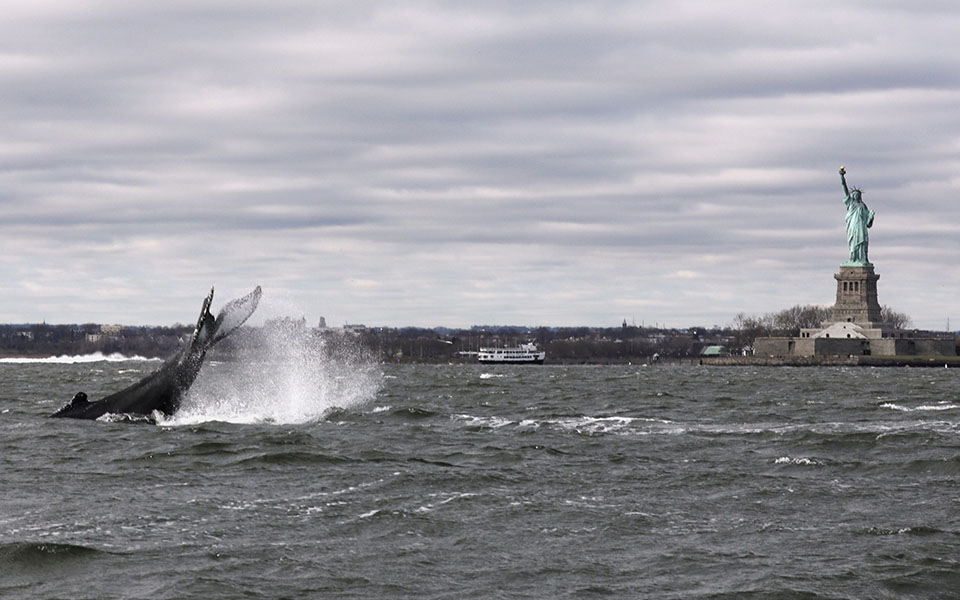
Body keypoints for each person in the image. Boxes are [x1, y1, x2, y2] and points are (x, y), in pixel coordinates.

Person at [839, 166, 875, 265]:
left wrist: (871, 217)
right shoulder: (850, 203)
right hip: (853, 226)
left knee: (862, 242)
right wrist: (842, 177)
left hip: (861, 227)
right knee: (853, 243)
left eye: (857, 194)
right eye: (854, 194)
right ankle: (853, 259)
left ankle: (862, 259)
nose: (855, 196)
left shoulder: (863, 206)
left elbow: (868, 223)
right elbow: (845, 189)